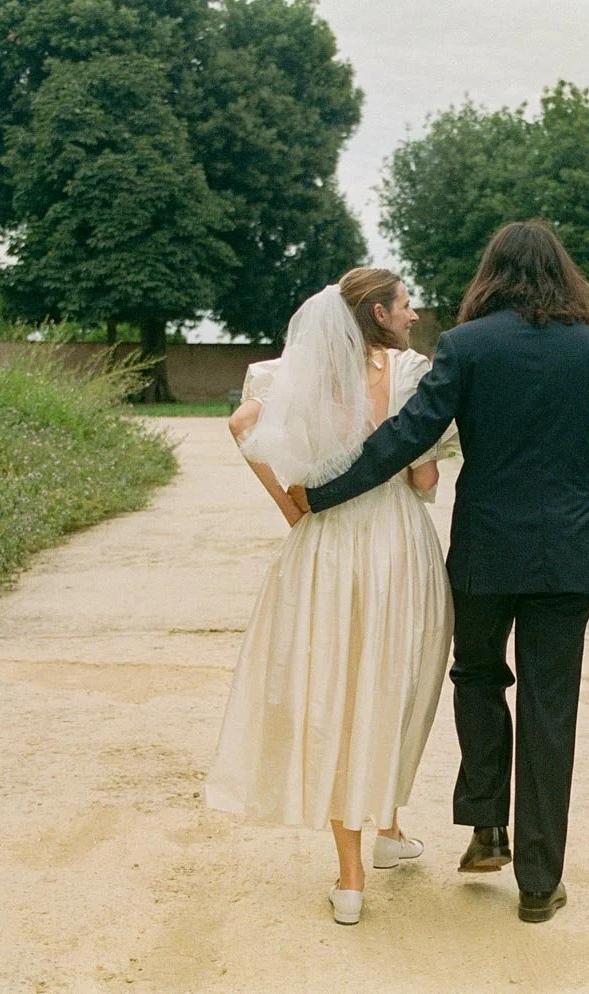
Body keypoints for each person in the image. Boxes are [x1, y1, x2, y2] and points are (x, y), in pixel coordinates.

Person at [290, 220, 589, 923]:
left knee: (477, 676)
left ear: (491, 275)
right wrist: (574, 519)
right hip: (567, 554)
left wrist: (322, 494)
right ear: (564, 274)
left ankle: (486, 825)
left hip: (484, 550)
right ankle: (539, 885)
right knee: (549, 708)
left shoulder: (467, 347)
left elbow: (409, 435)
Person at [204, 268, 459, 927]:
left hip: (326, 548)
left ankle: (356, 873)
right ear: (379, 313)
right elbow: (425, 476)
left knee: (338, 694)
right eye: (405, 303)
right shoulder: (408, 376)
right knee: (393, 684)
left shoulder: (295, 374)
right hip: (396, 545)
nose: (413, 312)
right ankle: (384, 833)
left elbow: (240, 424)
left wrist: (292, 506)